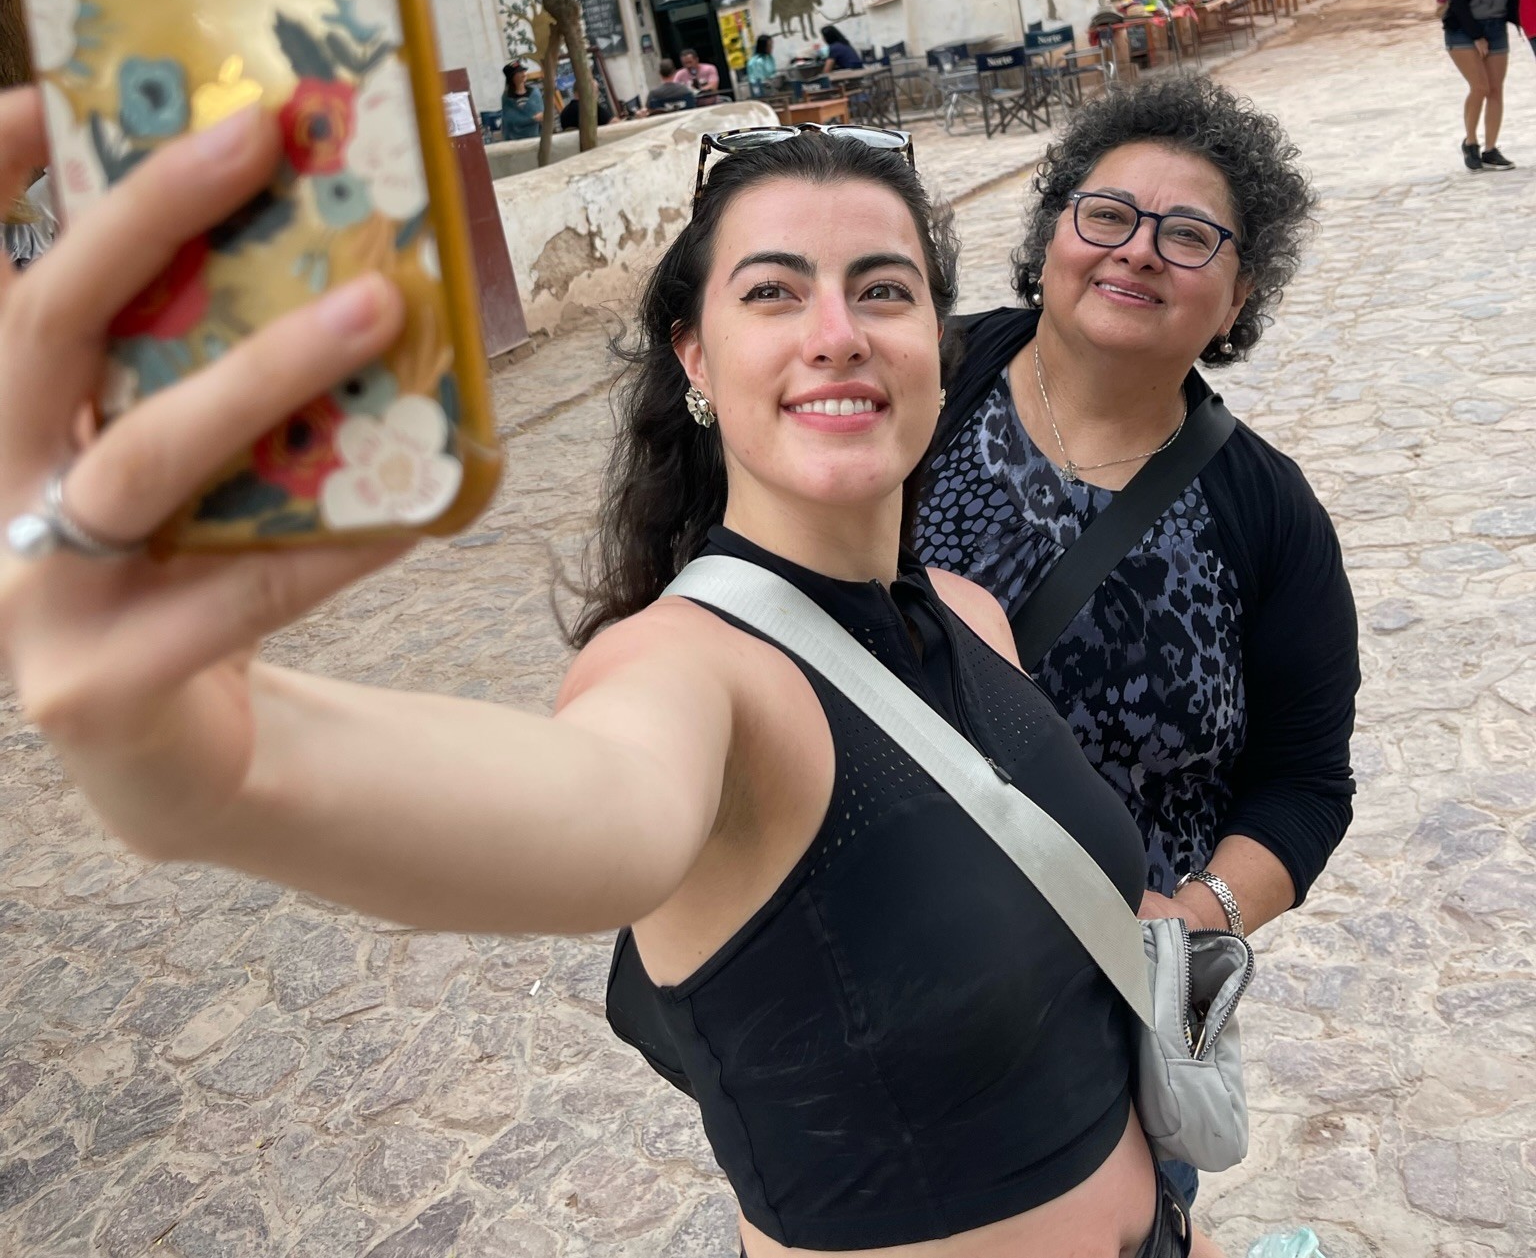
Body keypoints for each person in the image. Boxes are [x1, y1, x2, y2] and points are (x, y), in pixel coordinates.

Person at [0, 97, 1217, 1258]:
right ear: (697, 355)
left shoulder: (970, 616)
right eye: (773, 292)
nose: (836, 330)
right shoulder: (688, 670)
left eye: (883, 290)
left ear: (936, 352)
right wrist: (219, 753)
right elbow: (603, 802)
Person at [915, 76, 1358, 1208]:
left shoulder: (1269, 514)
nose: (1137, 251)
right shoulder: (923, 383)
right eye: (1105, 213)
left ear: (1239, 291)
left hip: (1095, 1014)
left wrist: (1187, 920)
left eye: (1190, 235)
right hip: (875, 953)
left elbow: (1304, 788)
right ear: (1054, 231)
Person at [1441, 0, 1515, 171]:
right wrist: (1476, 35)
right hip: (1462, 28)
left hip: (1496, 26)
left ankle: (1491, 149)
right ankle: (1470, 142)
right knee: (1480, 86)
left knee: (1496, 89)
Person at [499, 61, 543, 141]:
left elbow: (542, 114)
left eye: (523, 71)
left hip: (536, 137)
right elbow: (509, 119)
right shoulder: (507, 98)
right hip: (515, 140)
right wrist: (532, 119)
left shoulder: (534, 93)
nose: (523, 74)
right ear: (512, 77)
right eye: (519, 72)